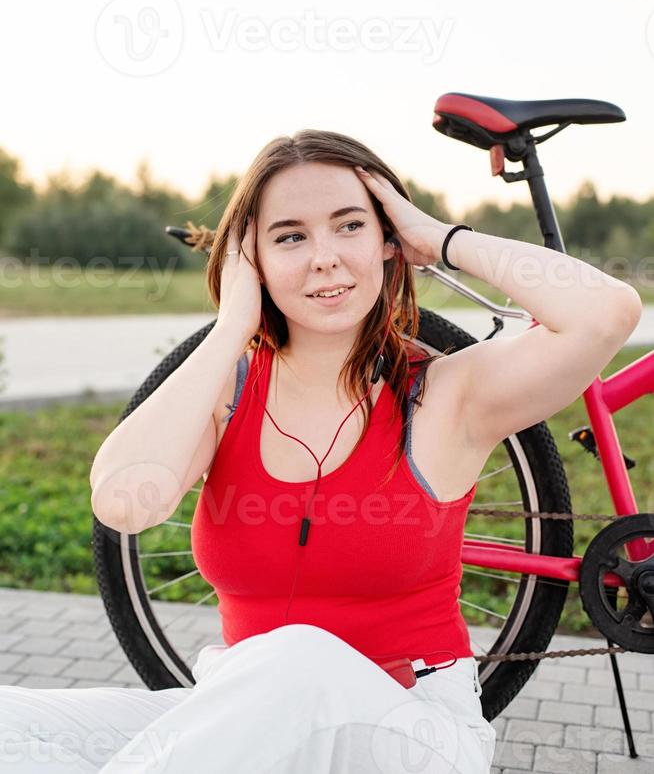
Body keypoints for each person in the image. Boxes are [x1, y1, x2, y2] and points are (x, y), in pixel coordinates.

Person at [1, 128, 640, 772]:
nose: (325, 257)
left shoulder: (448, 395)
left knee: (298, 658)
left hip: (410, 728)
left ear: (388, 239)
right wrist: (231, 328)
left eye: (349, 226)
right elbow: (121, 502)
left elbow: (608, 311)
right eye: (290, 236)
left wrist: (436, 237)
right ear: (251, 259)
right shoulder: (227, 393)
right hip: (247, 713)